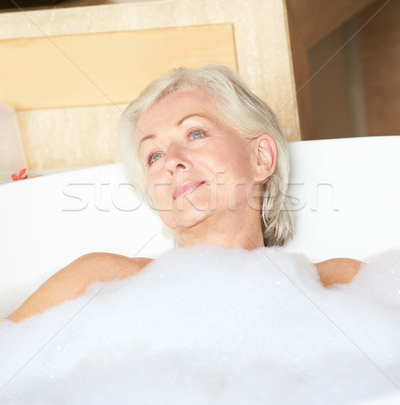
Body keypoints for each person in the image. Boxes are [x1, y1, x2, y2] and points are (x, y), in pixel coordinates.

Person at [8, 65, 361, 323]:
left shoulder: (336, 286)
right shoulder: (99, 280)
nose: (172, 162)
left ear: (260, 157)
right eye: (154, 155)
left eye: (195, 134)